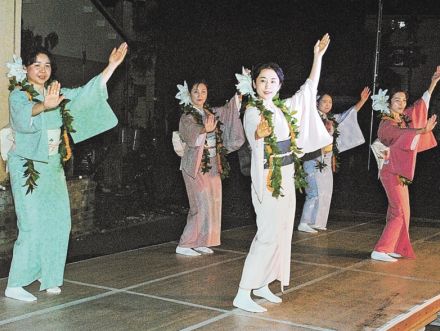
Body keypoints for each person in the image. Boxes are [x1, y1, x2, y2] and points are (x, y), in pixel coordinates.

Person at [4, 42, 128, 302]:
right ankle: (15, 283)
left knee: (60, 221)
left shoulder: (55, 92)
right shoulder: (19, 93)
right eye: (36, 64)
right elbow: (22, 115)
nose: (42, 69)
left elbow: (85, 94)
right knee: (32, 224)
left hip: (52, 166)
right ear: (26, 68)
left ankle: (48, 275)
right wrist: (44, 106)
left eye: (47, 65)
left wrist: (111, 66)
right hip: (27, 165)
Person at [232, 34, 333, 313]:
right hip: (268, 178)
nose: (267, 85)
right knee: (266, 233)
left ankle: (263, 283)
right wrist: (258, 134)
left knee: (281, 232)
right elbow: (254, 137)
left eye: (273, 81)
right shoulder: (254, 111)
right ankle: (243, 292)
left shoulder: (280, 108)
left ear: (279, 85)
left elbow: (308, 90)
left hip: (287, 174)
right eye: (262, 80)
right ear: (254, 83)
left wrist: (317, 57)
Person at [370, 66, 439, 262]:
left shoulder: (403, 118)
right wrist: (420, 131)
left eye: (403, 100)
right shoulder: (387, 122)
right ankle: (381, 249)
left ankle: (395, 247)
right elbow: (395, 135)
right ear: (388, 103)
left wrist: (433, 83)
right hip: (390, 171)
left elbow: (420, 106)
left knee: (401, 210)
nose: (401, 103)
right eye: (397, 100)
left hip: (398, 171)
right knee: (399, 210)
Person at [175, 79, 245, 256]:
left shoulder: (210, 112)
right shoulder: (187, 116)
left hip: (212, 162)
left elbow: (229, 112)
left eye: (203, 92)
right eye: (196, 92)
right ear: (189, 94)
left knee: (212, 202)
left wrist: (239, 94)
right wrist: (204, 130)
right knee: (198, 204)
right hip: (196, 164)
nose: (200, 95)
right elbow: (189, 135)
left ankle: (202, 240)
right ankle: (185, 243)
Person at [298, 87, 371, 233]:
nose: (327, 104)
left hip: (326, 159)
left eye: (330, 101)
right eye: (324, 101)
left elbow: (347, 116)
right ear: (316, 102)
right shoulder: (311, 119)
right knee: (314, 192)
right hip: (313, 159)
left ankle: (317, 222)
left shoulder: (330, 119)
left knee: (325, 191)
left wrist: (362, 101)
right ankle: (304, 222)